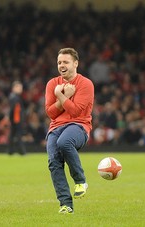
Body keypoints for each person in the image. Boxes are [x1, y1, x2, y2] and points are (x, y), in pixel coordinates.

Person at [45, 48, 94, 214]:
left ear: (76, 63)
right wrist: (62, 96)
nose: (61, 65)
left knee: (64, 142)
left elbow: (75, 112)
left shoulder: (86, 84)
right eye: (59, 62)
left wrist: (61, 96)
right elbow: (51, 113)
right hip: (55, 128)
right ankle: (65, 204)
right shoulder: (53, 84)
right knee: (53, 162)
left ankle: (80, 181)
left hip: (78, 126)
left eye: (65, 62)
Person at [7, 81, 26, 155]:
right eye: (19, 87)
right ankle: (21, 151)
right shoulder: (15, 97)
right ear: (14, 88)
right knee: (18, 135)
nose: (21, 89)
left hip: (15, 119)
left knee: (12, 135)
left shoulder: (13, 96)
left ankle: (10, 151)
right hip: (16, 119)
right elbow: (15, 109)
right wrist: (16, 119)